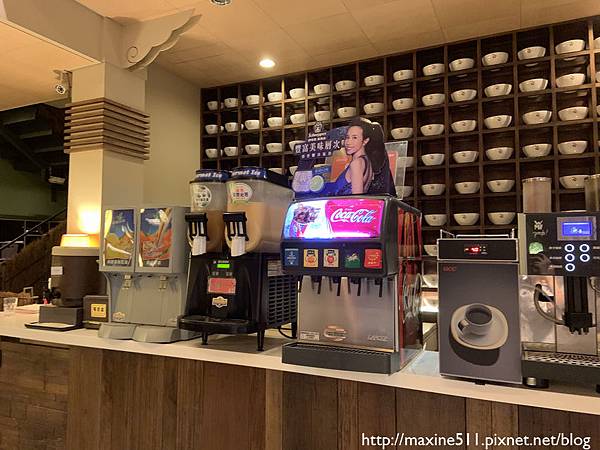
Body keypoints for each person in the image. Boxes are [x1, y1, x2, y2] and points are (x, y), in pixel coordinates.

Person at [328, 117, 395, 196]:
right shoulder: (366, 161)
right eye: (347, 137)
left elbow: (357, 197)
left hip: (350, 204)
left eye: (354, 137)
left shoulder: (357, 163)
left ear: (365, 141)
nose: (348, 142)